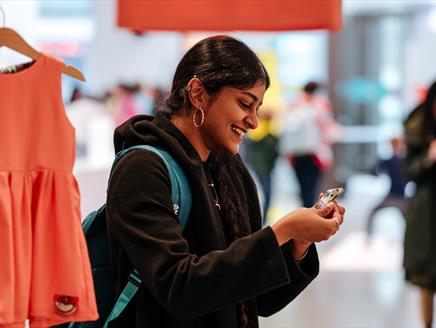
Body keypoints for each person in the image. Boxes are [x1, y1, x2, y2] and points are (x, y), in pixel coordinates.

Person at [106, 35, 345, 328]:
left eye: (257, 108)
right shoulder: (142, 168)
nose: (253, 121)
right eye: (245, 103)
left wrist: (298, 242)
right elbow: (179, 289)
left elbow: (259, 300)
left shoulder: (231, 171)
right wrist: (281, 231)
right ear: (197, 93)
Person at [403, 80, 436, 328]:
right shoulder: (417, 128)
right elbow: (409, 172)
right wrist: (428, 158)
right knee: (427, 276)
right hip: (427, 210)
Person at [279, 81, 341, 207]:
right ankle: (310, 214)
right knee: (312, 188)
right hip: (315, 154)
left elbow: (284, 127)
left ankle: (305, 212)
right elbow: (328, 129)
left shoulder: (294, 103)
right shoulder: (321, 104)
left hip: (296, 154)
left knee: (302, 188)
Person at [366, 137, 408, 240]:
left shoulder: (400, 161)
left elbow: (374, 171)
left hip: (400, 198)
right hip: (395, 196)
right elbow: (374, 171)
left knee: (410, 220)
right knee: (372, 213)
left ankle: (368, 238)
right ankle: (368, 237)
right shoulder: (394, 161)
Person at [245, 109, 279, 221]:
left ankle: (259, 218)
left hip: (254, 166)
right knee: (266, 194)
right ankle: (262, 218)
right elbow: (274, 152)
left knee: (256, 193)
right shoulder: (270, 133)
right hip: (264, 168)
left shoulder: (252, 132)